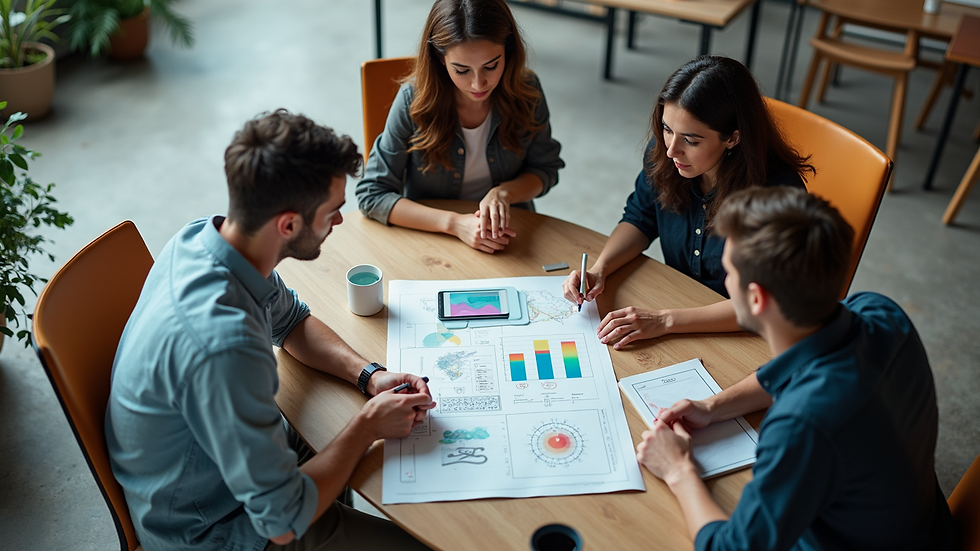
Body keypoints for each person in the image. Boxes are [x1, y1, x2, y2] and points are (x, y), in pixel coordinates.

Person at [106, 110, 435, 551]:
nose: (340, 221)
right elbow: (281, 520)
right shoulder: (226, 346)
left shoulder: (208, 238)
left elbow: (291, 322)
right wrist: (366, 427)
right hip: (215, 528)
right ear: (289, 225)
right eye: (332, 211)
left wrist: (369, 376)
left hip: (230, 474)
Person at [636, 186, 955, 551]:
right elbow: (801, 365)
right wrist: (713, 407)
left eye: (729, 271)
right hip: (922, 524)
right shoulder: (880, 310)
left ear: (756, 298)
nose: (725, 281)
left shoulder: (801, 425)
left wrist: (678, 469)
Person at [563, 55, 812, 349]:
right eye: (667, 129)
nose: (671, 150)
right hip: (680, 303)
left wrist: (665, 321)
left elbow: (764, 301)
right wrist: (600, 269)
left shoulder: (777, 194)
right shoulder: (666, 155)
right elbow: (640, 218)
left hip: (744, 337)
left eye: (691, 141)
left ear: (732, 138)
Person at [355, 0, 564, 254]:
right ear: (440, 59)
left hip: (506, 237)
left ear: (508, 50)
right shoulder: (413, 100)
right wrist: (454, 224)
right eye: (462, 70)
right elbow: (372, 194)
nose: (478, 84)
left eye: (491, 66)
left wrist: (504, 193)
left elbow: (545, 168)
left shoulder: (527, 91)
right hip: (433, 241)